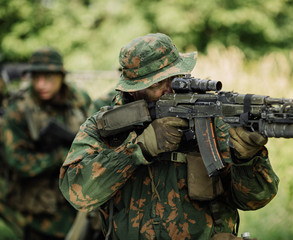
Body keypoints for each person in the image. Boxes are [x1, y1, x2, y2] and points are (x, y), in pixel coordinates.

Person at [59, 33, 279, 240]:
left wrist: (248, 160)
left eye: (175, 78)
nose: (170, 89)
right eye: (157, 84)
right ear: (133, 89)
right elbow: (77, 193)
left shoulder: (211, 121)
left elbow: (255, 199)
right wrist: (139, 149)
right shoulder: (105, 126)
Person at [1, 47, 92, 239]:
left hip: (77, 201)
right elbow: (17, 161)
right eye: (36, 77)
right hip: (37, 209)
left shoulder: (79, 100)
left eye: (48, 78)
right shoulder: (19, 110)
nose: (41, 84)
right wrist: (60, 156)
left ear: (61, 76)